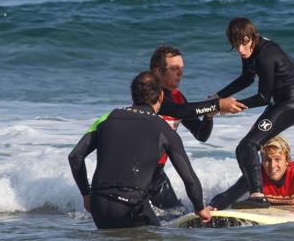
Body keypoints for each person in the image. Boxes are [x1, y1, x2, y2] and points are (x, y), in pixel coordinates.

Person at [68, 71, 212, 229]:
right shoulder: (163, 128)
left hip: (98, 203)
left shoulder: (107, 118)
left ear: (133, 96)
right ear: (161, 97)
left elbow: (75, 157)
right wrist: (200, 208)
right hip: (131, 206)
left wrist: (86, 194)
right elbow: (189, 178)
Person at [215, 17, 294, 208]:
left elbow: (263, 97)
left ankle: (258, 196)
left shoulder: (265, 56)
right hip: (278, 103)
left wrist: (232, 106)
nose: (240, 49)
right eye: (235, 45)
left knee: (248, 146)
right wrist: (218, 97)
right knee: (245, 150)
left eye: (244, 43)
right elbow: (247, 78)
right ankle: (232, 198)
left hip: (291, 105)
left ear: (253, 37)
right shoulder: (251, 50)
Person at [147, 45, 224, 211]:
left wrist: (209, 116)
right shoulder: (151, 96)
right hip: (138, 167)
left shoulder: (177, 96)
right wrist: (213, 105)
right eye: (174, 69)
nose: (180, 73)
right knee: (171, 216)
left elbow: (200, 134)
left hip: (156, 171)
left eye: (181, 68)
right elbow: (179, 111)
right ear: (158, 71)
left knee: (177, 214)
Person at [209, 136, 294, 210]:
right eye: (267, 160)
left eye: (277, 159)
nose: (272, 165)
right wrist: (212, 206)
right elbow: (229, 195)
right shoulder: (256, 176)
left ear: (287, 161)